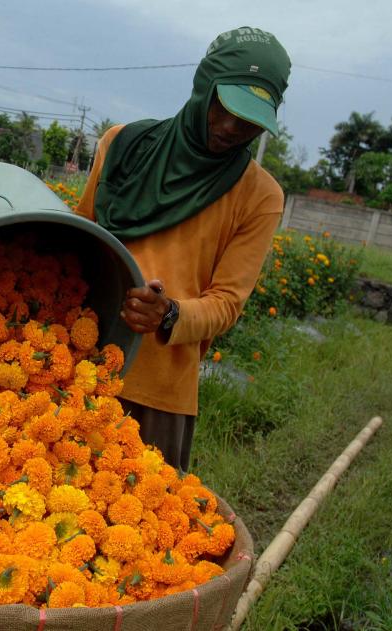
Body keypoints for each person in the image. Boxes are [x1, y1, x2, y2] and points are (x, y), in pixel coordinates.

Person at [75, 27, 291, 471]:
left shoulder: (259, 195)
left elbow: (227, 303)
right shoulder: (122, 146)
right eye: (224, 107)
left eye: (249, 119)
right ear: (202, 86)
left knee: (142, 526)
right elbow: (78, 238)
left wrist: (169, 314)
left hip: (158, 394)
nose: (232, 128)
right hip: (76, 366)